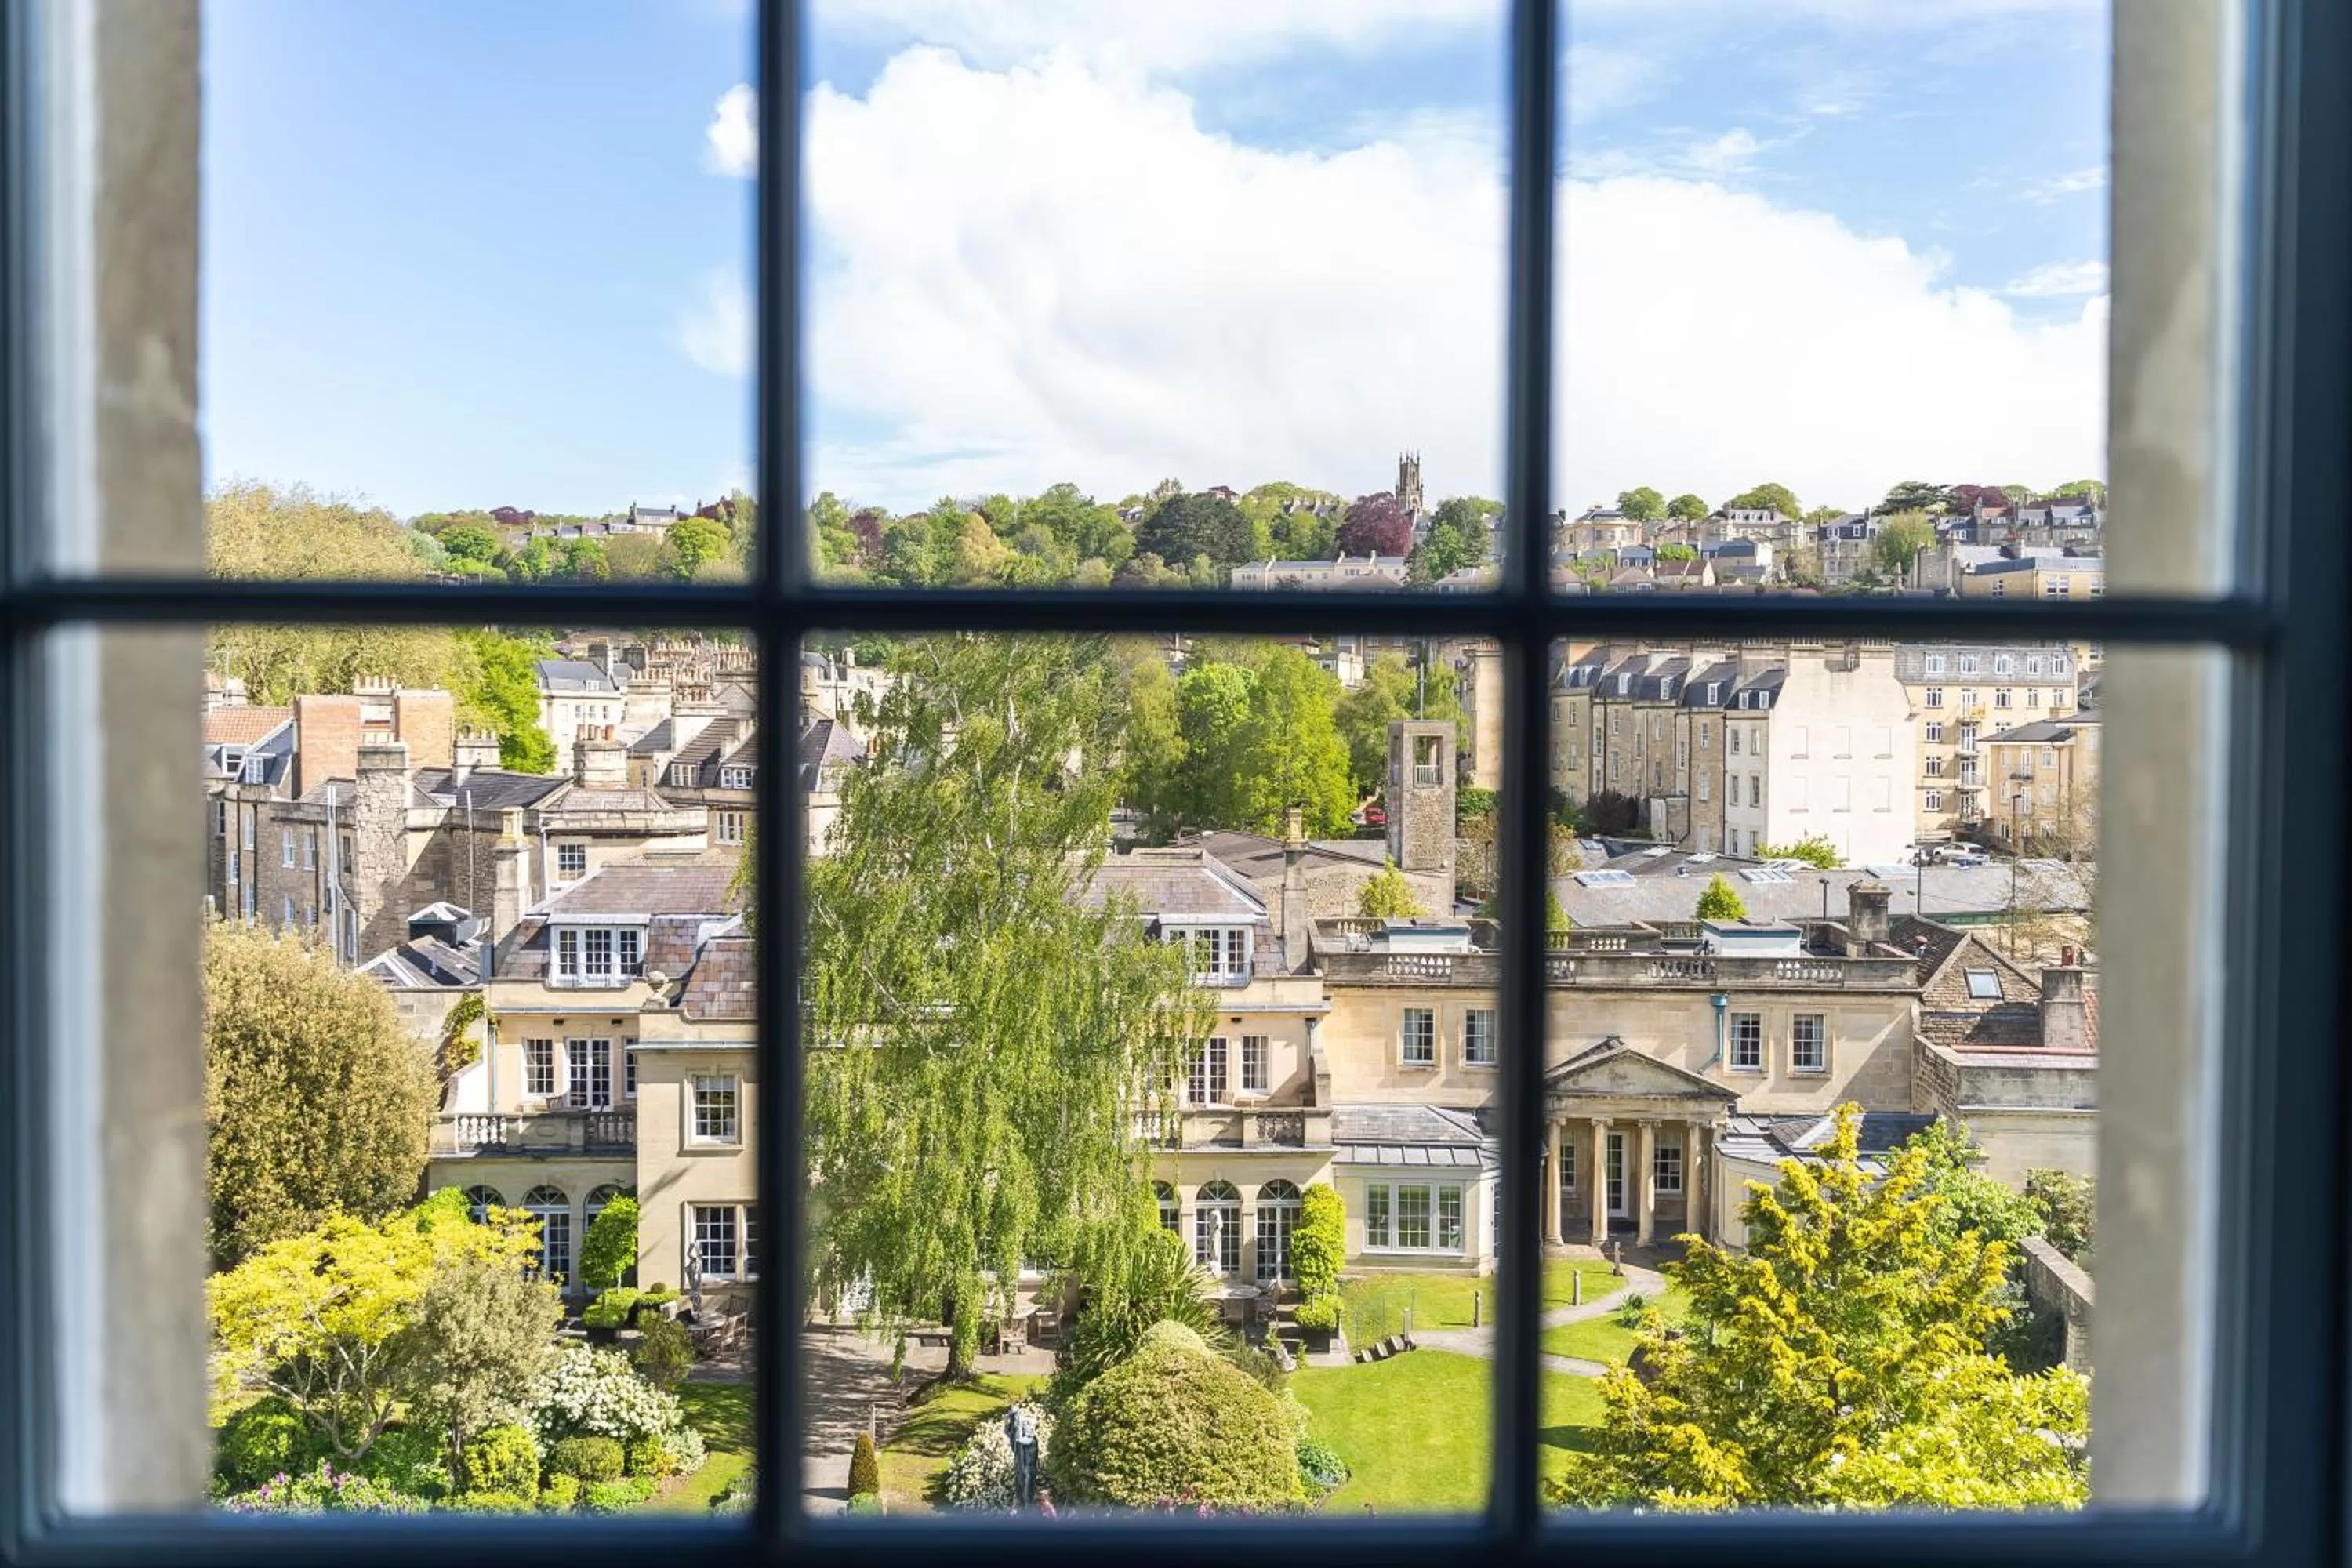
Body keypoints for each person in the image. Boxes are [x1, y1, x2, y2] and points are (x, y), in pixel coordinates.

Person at [1004, 1401, 1040, 1507]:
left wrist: (1019, 1419)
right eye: (1025, 1425)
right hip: (1020, 1468)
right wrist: (1010, 1416)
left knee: (1028, 1496)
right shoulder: (1021, 1438)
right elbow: (1007, 1431)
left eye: (1028, 1425)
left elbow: (1020, 1439)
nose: (1026, 1427)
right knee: (1020, 1494)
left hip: (1029, 1470)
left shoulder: (1032, 1440)